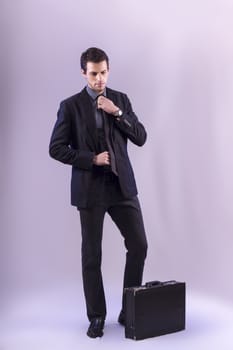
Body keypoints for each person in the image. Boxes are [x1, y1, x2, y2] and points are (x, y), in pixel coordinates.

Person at [49, 47, 148, 338]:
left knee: (139, 245)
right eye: (93, 73)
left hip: (121, 187)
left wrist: (115, 112)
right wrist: (90, 159)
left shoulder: (120, 100)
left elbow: (141, 137)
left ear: (108, 70)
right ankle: (97, 316)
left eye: (103, 72)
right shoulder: (71, 106)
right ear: (84, 73)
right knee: (92, 256)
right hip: (90, 190)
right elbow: (55, 148)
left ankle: (129, 308)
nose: (99, 79)